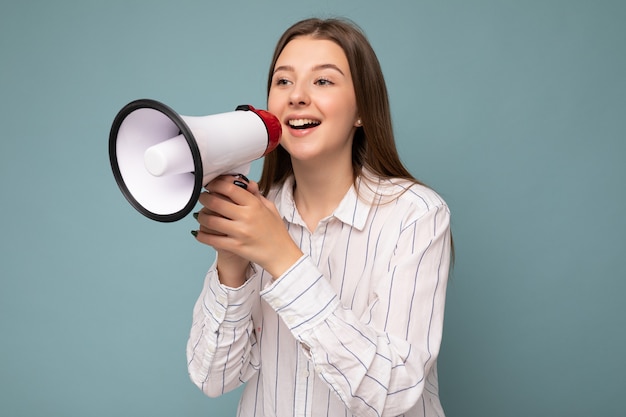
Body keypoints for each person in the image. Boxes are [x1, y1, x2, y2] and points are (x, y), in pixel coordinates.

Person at [187, 17, 453, 417]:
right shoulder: (260, 214)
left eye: (323, 81)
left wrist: (282, 258)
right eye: (283, 81)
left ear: (362, 109)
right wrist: (232, 265)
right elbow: (213, 377)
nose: (297, 97)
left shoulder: (416, 215)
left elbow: (394, 388)